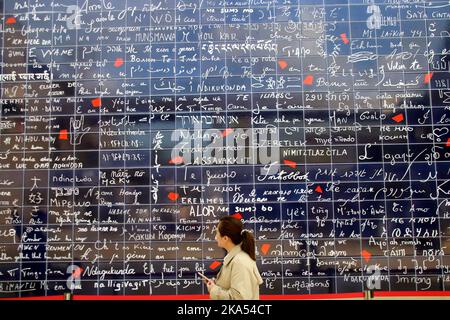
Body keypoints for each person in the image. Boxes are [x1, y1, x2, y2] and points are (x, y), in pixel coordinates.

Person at [203, 216, 263, 300]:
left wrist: (214, 290)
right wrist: (215, 284)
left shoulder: (239, 262)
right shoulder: (235, 258)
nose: (215, 237)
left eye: (217, 233)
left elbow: (239, 298)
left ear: (225, 238)